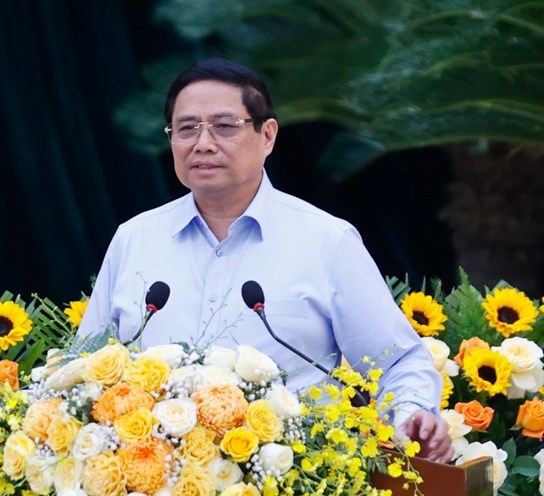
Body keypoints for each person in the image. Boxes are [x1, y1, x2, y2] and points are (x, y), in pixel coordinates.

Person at [78, 58, 452, 462]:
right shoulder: (135, 239)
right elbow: (83, 367)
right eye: (187, 128)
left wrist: (413, 414)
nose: (203, 143)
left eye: (224, 127)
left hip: (297, 476)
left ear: (268, 135)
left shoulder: (326, 240)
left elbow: (396, 360)